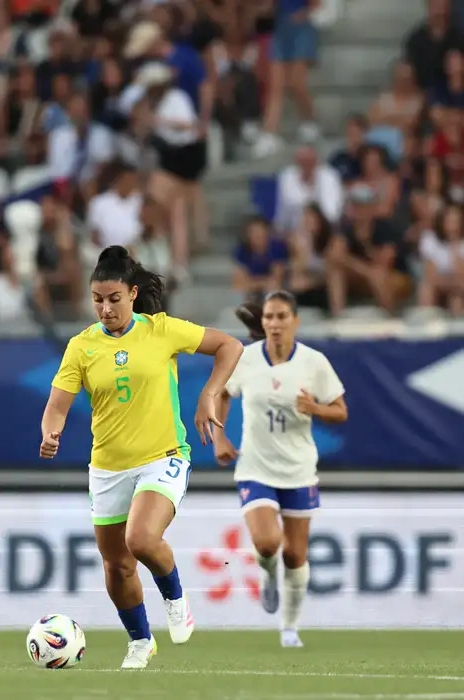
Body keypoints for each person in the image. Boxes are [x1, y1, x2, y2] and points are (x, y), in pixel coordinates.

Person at [39, 246, 243, 669]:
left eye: (114, 299)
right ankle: (140, 641)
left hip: (162, 456)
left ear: (133, 294)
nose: (105, 308)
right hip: (109, 468)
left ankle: (176, 598)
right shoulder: (82, 346)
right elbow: (58, 404)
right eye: (98, 299)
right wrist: (50, 432)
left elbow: (229, 346)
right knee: (117, 565)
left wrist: (208, 394)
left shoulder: (161, 329)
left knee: (141, 539)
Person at [216, 292, 348, 648]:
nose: (274, 324)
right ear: (263, 323)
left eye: (281, 317)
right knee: (267, 542)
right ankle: (266, 572)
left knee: (295, 554)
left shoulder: (313, 362)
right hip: (255, 466)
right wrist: (219, 438)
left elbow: (340, 410)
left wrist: (314, 409)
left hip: (298, 469)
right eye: (269, 317)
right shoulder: (245, 360)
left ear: (295, 321)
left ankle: (289, 628)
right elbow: (222, 394)